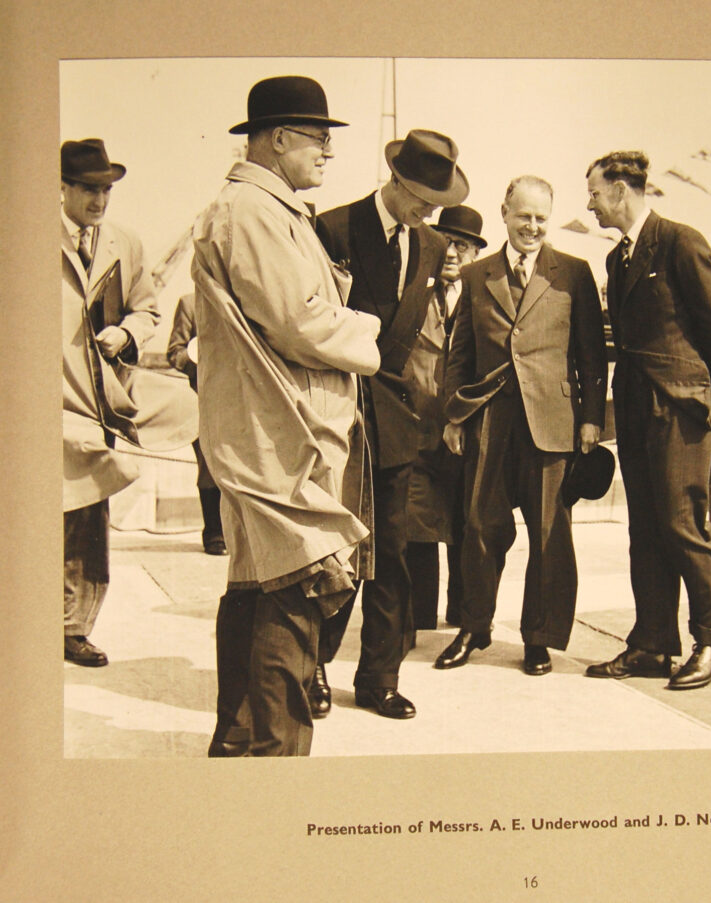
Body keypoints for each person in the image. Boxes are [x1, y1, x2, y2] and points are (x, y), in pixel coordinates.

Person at [191, 75, 381, 756]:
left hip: (273, 428)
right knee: (297, 588)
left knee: (257, 586)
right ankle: (277, 764)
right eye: (319, 139)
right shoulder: (253, 211)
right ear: (278, 139)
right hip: (276, 432)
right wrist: (368, 331)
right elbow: (299, 320)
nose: (328, 153)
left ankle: (239, 746)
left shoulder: (265, 208)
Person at [314, 129, 467, 719]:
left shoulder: (429, 245)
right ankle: (312, 672)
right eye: (424, 199)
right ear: (396, 182)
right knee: (333, 553)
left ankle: (378, 677)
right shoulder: (333, 228)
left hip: (398, 422)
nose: (431, 212)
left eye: (438, 202)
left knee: (394, 556)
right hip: (340, 414)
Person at [436, 175, 607, 675]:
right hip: (490, 418)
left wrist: (592, 419)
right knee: (479, 527)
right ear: (505, 213)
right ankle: (475, 627)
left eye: (540, 218)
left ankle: (538, 637)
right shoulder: (476, 275)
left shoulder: (573, 273)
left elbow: (592, 357)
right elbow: (458, 353)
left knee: (549, 533)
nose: (531, 226)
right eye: (523, 216)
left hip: (553, 421)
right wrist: (454, 414)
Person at [583, 150, 711, 689]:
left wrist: (709, 399)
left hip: (679, 406)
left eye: (596, 193)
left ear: (622, 192)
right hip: (635, 405)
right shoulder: (617, 259)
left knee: (682, 521)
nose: (591, 203)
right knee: (645, 528)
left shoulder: (679, 241)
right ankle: (651, 643)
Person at [62, 138, 160, 667]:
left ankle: (74, 626)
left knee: (87, 516)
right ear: (61, 188)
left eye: (106, 189)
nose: (99, 200)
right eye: (87, 188)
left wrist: (125, 333)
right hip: (44, 398)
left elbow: (149, 310)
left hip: (95, 404)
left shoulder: (125, 243)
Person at [406, 205, 487, 632]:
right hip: (418, 431)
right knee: (417, 526)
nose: (453, 253)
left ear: (476, 252)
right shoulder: (416, 296)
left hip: (469, 434)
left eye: (463, 245)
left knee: (467, 525)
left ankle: (464, 616)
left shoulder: (488, 300)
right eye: (446, 243)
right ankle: (419, 618)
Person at [165, 292, 226, 555]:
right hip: (202, 401)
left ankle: (238, 536)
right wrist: (194, 358)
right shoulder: (189, 303)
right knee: (209, 468)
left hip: (239, 398)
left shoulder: (238, 299)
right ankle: (214, 534)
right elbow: (174, 352)